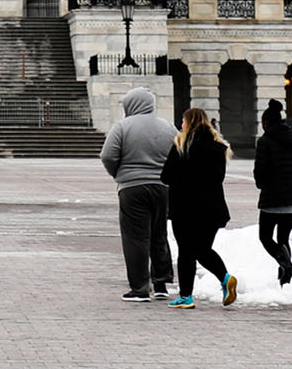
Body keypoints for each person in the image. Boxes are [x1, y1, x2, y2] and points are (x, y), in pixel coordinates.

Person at [97, 85, 176, 301]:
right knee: (159, 234)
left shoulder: (123, 126)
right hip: (163, 188)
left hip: (132, 188)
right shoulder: (168, 127)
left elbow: (107, 155)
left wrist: (119, 174)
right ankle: (161, 283)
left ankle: (140, 288)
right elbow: (179, 154)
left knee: (136, 238)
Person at [159, 105, 237, 308]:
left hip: (185, 208)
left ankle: (186, 296)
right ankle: (225, 277)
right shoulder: (218, 148)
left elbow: (166, 176)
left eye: (183, 121)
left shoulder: (181, 146)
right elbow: (218, 177)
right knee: (202, 250)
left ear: (189, 123)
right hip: (211, 209)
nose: (181, 125)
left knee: (186, 252)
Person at [251, 99, 292, 286]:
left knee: (265, 237)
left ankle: (285, 264)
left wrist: (262, 184)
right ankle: (285, 280)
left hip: (273, 198)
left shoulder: (265, 141)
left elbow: (260, 169)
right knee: (283, 238)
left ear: (266, 123)